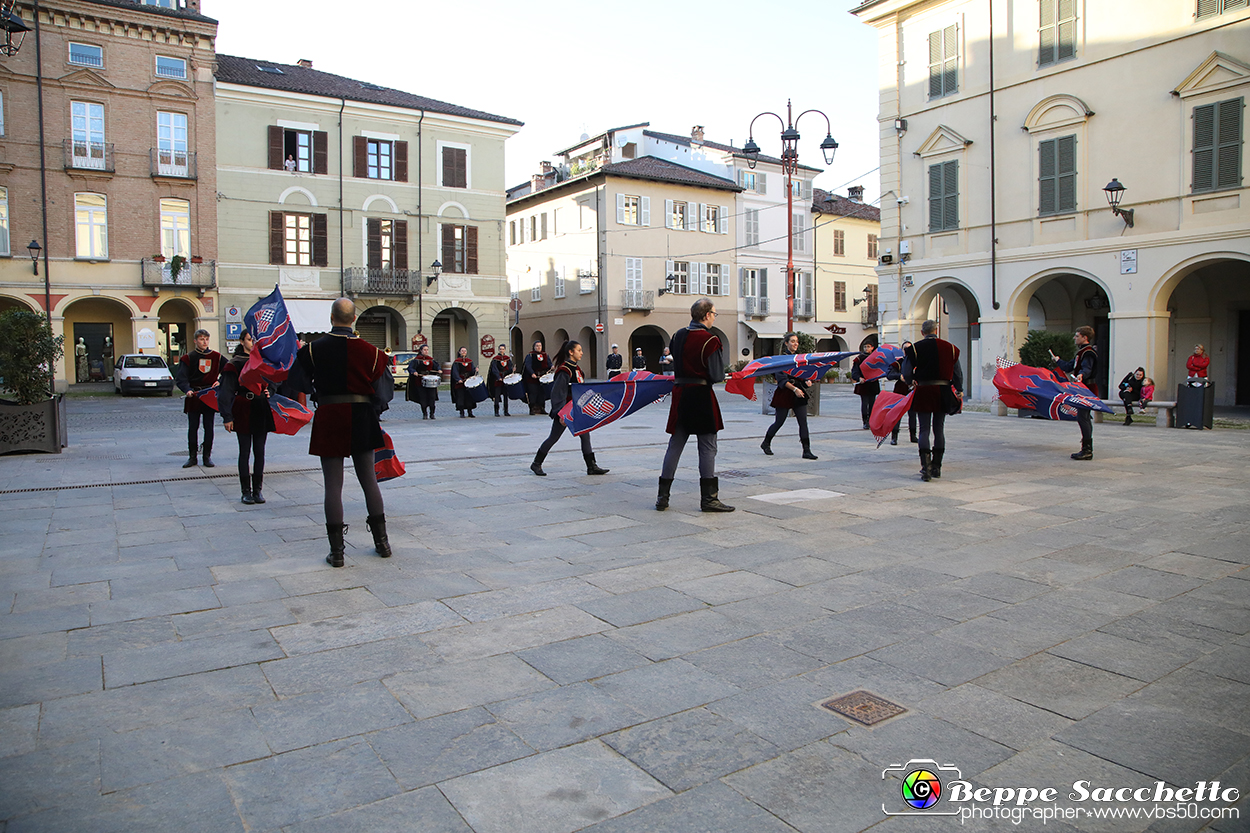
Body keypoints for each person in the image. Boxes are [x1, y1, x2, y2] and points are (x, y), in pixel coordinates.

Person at [295, 298, 394, 567]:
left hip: (329, 415)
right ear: (354, 320)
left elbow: (298, 383)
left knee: (333, 485)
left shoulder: (313, 350)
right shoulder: (374, 353)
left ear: (331, 318)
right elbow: (384, 394)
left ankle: (337, 552)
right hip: (362, 416)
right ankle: (382, 543)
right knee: (369, 481)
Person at [656, 298, 733, 512]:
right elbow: (716, 375)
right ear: (707, 315)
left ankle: (662, 497)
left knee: (675, 445)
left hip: (681, 394)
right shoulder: (711, 340)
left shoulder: (677, 336)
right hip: (701, 395)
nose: (714, 317)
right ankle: (709, 499)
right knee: (707, 446)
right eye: (714, 314)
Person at [530, 340, 609, 477]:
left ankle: (591, 466)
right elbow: (557, 393)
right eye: (579, 350)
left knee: (585, 436)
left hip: (578, 409)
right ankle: (536, 463)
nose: (582, 353)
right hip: (566, 411)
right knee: (553, 437)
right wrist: (560, 413)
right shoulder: (564, 370)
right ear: (571, 352)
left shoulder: (577, 369)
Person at [219, 332, 276, 505]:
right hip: (243, 407)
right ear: (242, 341)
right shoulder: (234, 364)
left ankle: (258, 490)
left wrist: (270, 390)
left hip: (260, 406)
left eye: (255, 340)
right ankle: (246, 491)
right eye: (250, 340)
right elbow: (225, 391)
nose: (253, 343)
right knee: (244, 451)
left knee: (260, 451)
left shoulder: (264, 361)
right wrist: (227, 416)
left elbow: (274, 379)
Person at [903, 320, 963, 481]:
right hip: (943, 390)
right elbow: (957, 372)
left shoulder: (915, 348)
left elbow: (906, 370)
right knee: (939, 428)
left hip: (924, 389)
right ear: (937, 330)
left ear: (922, 332)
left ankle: (926, 467)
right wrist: (959, 389)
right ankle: (937, 466)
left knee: (924, 429)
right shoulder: (950, 348)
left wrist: (910, 381)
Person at [760, 332, 818, 460]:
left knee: (803, 422)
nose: (795, 344)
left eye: (796, 341)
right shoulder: (781, 359)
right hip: (785, 392)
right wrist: (795, 388)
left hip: (798, 392)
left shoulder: (799, 359)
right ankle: (766, 443)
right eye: (792, 341)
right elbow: (781, 379)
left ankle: (806, 450)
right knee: (779, 421)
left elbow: (802, 374)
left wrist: (806, 381)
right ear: (786, 343)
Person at [175, 328, 224, 468]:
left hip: (209, 395)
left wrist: (220, 381)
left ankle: (207, 456)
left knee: (209, 427)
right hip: (194, 396)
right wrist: (187, 390)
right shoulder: (188, 358)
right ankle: (192, 457)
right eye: (201, 339)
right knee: (193, 427)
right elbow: (181, 378)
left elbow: (229, 371)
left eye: (206, 339)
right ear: (195, 341)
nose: (204, 342)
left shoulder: (217, 357)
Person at [1051, 325, 1098, 461]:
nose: (1074, 338)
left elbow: (1087, 368)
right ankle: (1086, 447)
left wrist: (1082, 375)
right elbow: (1069, 367)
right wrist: (1058, 361)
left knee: (1083, 418)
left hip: (1087, 388)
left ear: (1085, 337)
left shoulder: (1088, 352)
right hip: (1082, 387)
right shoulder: (1081, 352)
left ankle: (1087, 450)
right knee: (1083, 417)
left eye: (1077, 336)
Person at [886, 341, 917, 445]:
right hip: (900, 391)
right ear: (902, 350)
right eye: (905, 349)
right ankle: (894, 437)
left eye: (909, 349)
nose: (907, 351)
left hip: (913, 390)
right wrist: (899, 376)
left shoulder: (917, 362)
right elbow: (889, 374)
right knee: (897, 415)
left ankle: (913, 435)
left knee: (913, 414)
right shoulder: (899, 362)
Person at [405, 345, 440, 419]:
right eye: (424, 350)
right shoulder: (416, 360)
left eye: (427, 350)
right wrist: (414, 371)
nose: (426, 351)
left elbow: (437, 366)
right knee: (423, 398)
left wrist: (439, 369)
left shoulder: (431, 360)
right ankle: (425, 414)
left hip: (430, 382)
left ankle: (432, 414)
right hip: (420, 382)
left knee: (432, 398)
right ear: (421, 350)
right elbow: (410, 368)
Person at [851, 344, 880, 430]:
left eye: (868, 346)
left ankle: (871, 421)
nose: (866, 348)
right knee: (865, 403)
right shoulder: (859, 358)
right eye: (865, 347)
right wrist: (859, 378)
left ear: (872, 348)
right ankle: (865, 421)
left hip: (873, 383)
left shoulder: (876, 358)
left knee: (872, 404)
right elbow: (854, 371)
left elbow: (880, 369)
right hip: (863, 384)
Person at [523, 340, 551, 415]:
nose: (539, 347)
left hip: (543, 378)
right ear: (534, 347)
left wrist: (552, 367)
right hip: (532, 378)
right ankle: (532, 409)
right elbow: (528, 365)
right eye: (537, 346)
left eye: (540, 346)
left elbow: (549, 364)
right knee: (533, 393)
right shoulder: (530, 355)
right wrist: (532, 373)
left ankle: (542, 408)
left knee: (542, 394)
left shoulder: (545, 355)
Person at [450, 346, 478, 418]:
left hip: (468, 382)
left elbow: (472, 371)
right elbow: (455, 372)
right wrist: (458, 379)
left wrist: (475, 370)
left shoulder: (469, 361)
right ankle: (461, 412)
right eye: (462, 351)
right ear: (459, 352)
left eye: (465, 351)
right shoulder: (457, 362)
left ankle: (470, 412)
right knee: (461, 397)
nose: (464, 352)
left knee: (469, 397)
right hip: (460, 382)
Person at [488, 346, 515, 417]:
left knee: (506, 396)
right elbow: (494, 369)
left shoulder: (508, 359)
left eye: (503, 349)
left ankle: (506, 411)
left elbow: (509, 368)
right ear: (498, 350)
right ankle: (496, 411)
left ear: (505, 350)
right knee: (497, 396)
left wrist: (511, 371)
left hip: (506, 379)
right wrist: (498, 377)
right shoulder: (495, 359)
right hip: (498, 380)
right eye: (500, 349)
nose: (501, 350)